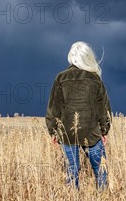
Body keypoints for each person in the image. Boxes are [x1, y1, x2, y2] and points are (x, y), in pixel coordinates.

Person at [45, 41, 112, 191]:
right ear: (88, 57)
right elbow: (103, 108)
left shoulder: (61, 78)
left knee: (72, 171)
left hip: (67, 133)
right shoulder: (95, 79)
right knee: (101, 170)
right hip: (92, 133)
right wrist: (104, 130)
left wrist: (54, 131)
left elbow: (54, 108)